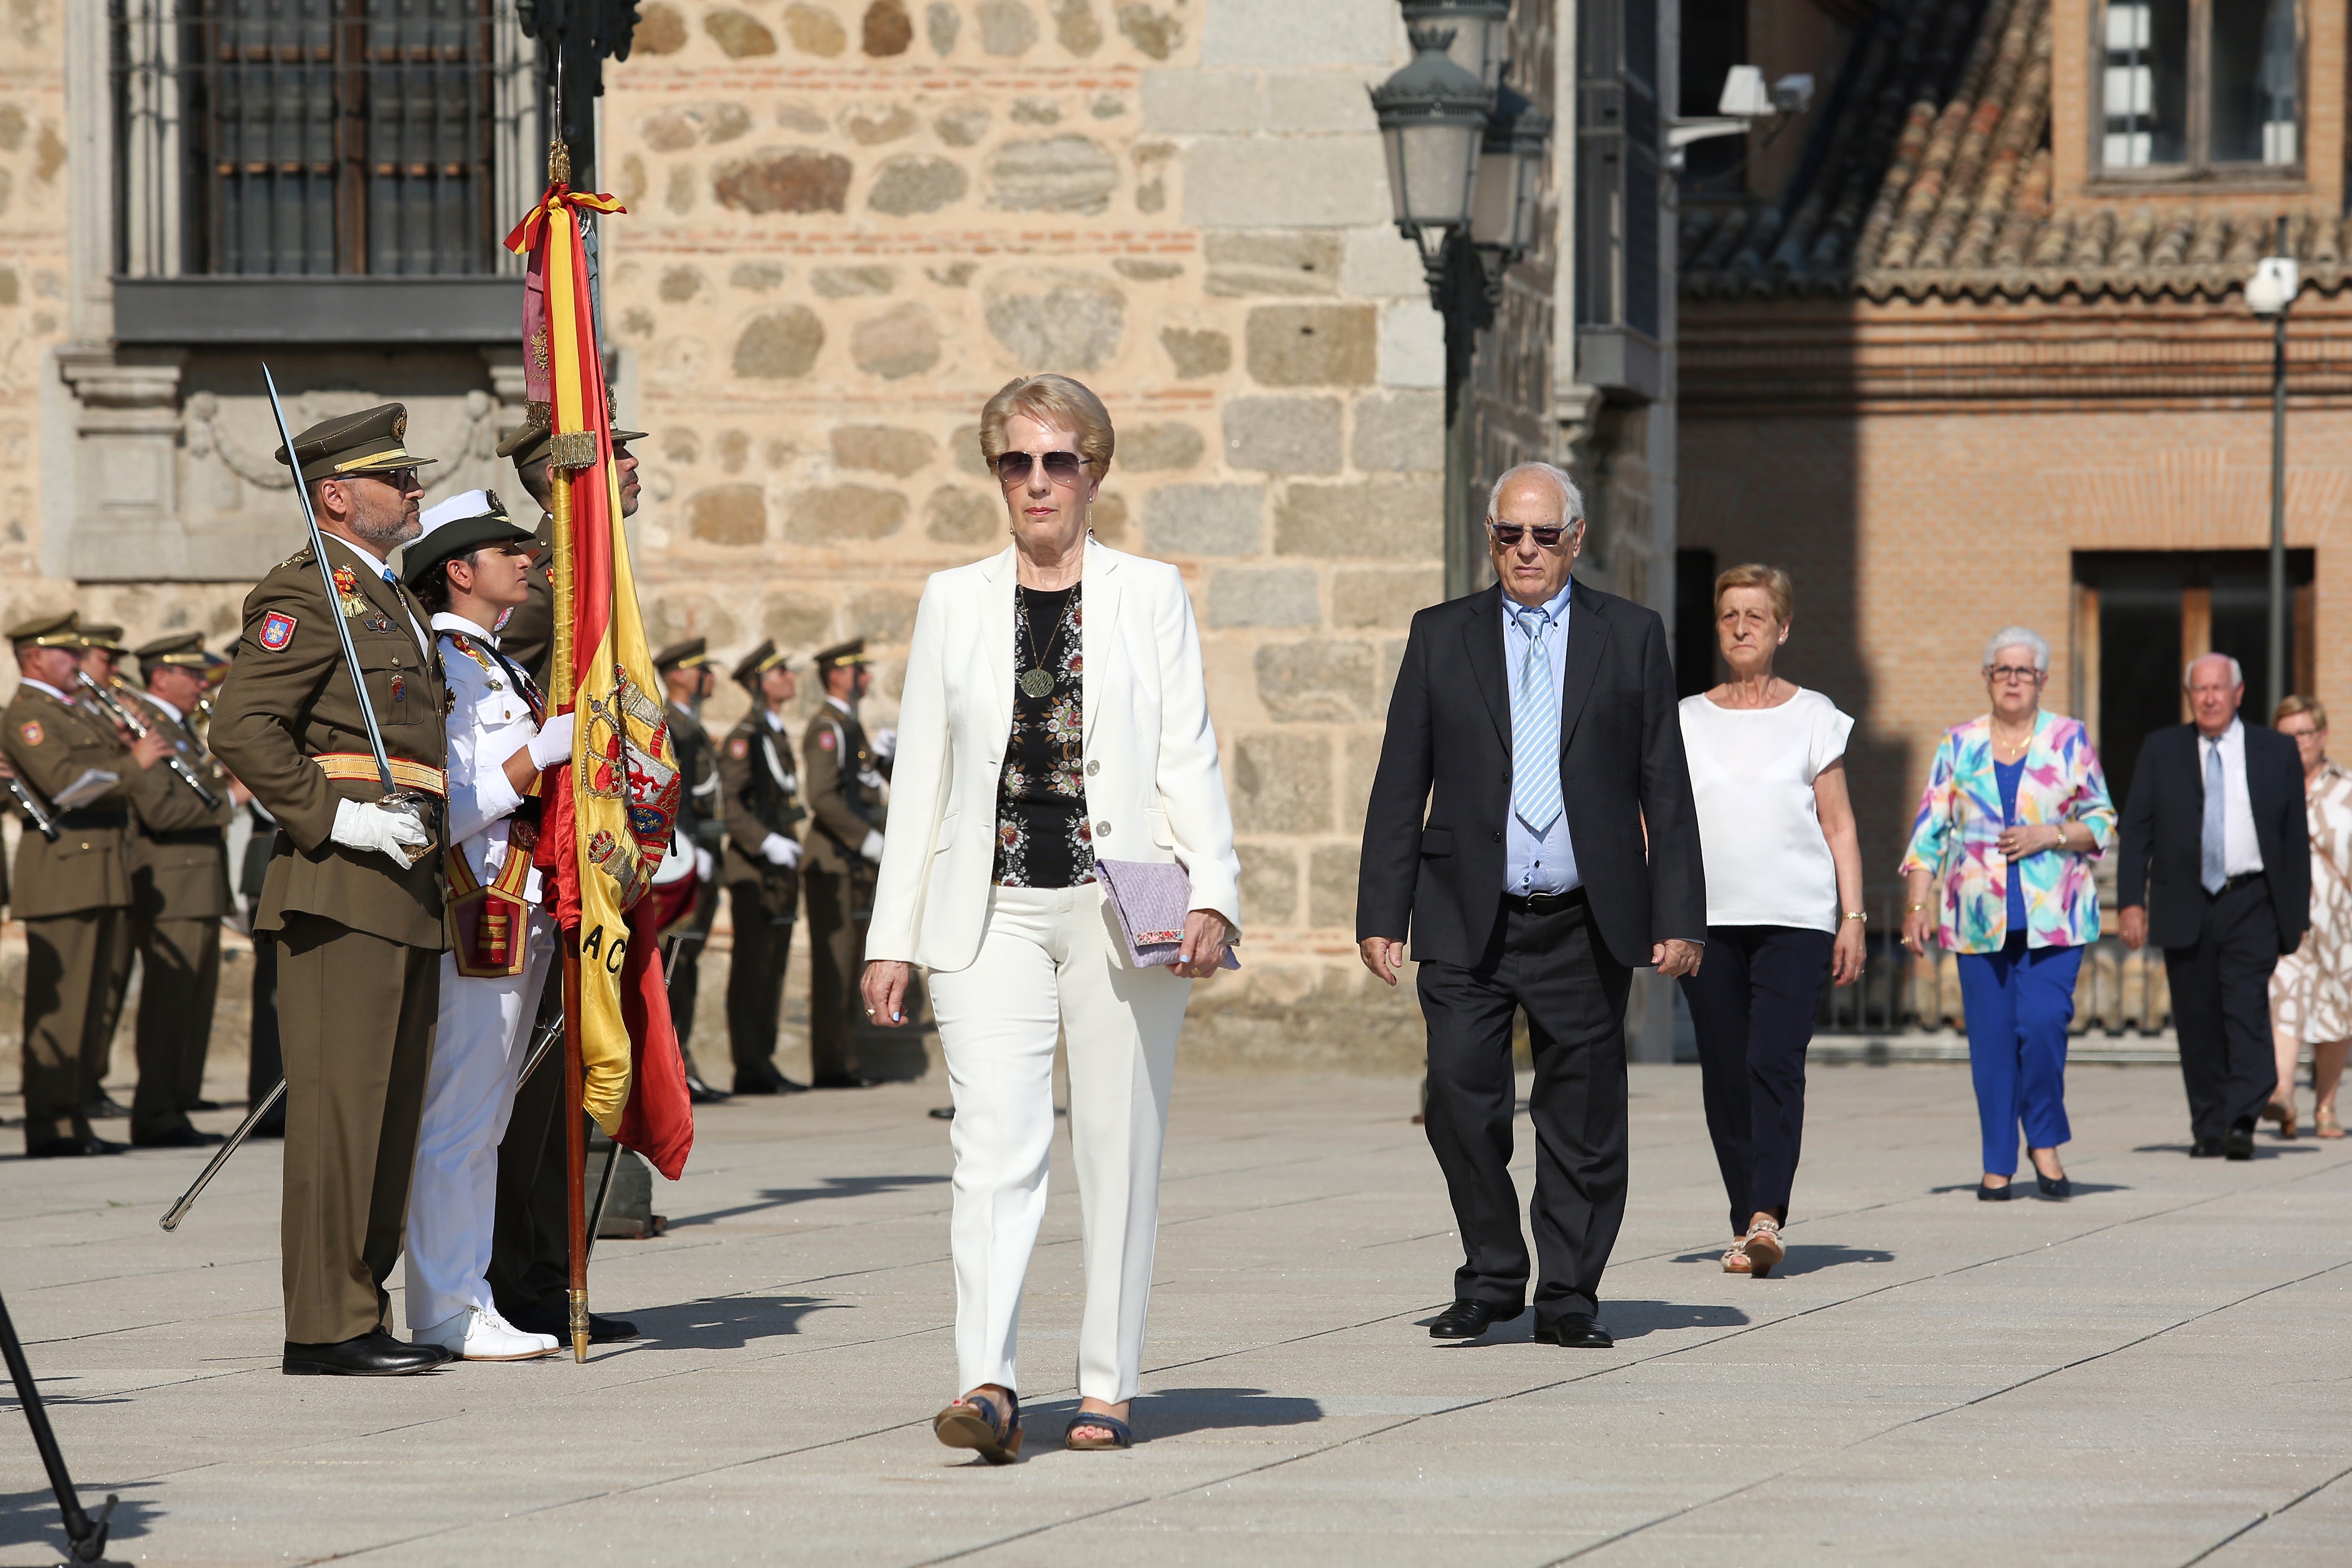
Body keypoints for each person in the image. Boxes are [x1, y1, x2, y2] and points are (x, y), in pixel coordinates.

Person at [863, 372, 1240, 1458]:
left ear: (1095, 470)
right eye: (1015, 462)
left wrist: (1211, 890)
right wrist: (893, 935)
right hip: (988, 905)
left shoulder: (1149, 591)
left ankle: (1107, 1381)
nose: (1037, 482)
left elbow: (1186, 750)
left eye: (1057, 460)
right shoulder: (952, 597)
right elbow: (923, 777)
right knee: (992, 1144)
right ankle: (986, 1380)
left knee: (1120, 1147)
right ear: (995, 473)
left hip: (1126, 898)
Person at [1358, 461, 1705, 1350]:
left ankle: (1569, 1294)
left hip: (1583, 916)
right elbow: (1403, 778)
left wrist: (1679, 914)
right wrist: (1379, 910)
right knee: (1458, 1102)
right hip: (1466, 915)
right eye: (1508, 534)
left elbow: (1664, 784)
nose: (1524, 550)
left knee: (1582, 1119)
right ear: (1491, 537)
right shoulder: (1442, 636)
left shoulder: (1629, 635)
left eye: (1542, 535)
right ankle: (1490, 1275)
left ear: (1574, 539)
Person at [208, 403, 455, 1377]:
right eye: (398, 480)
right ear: (337, 495)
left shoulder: (390, 601)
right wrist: (335, 816)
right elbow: (244, 729)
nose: (415, 491)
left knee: (392, 1111)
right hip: (339, 880)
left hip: (408, 877)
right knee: (340, 1109)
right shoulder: (306, 596)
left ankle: (363, 1302)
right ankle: (323, 1322)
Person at [396, 489, 570, 1361]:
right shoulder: (447, 666)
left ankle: (467, 1294)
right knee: (459, 1117)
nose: (526, 559)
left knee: (486, 1119)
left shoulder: (495, 661)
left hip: (519, 901)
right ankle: (440, 1305)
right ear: (458, 572)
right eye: (506, 550)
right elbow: (447, 804)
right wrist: (538, 754)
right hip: (477, 901)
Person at [482, 410, 641, 1348]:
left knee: (569, 1079)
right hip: (543, 861)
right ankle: (521, 1278)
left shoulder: (591, 569)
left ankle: (549, 1271)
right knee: (535, 1090)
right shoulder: (545, 582)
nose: (629, 469)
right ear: (564, 471)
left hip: (593, 857)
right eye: (615, 453)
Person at [1676, 565, 1864, 1275]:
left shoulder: (1815, 715)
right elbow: (1657, 825)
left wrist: (1854, 917)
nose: (1742, 626)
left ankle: (1767, 1212)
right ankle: (1745, 1220)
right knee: (1724, 1069)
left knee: (1772, 1060)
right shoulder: (1687, 718)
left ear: (1782, 628)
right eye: (1730, 615)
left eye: (1757, 615)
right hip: (1708, 921)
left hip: (1796, 918)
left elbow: (1839, 824)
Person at [1900, 628, 2115, 1199]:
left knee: (2043, 1026)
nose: (2013, 680)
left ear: (2042, 680)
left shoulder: (2069, 738)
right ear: (1987, 678)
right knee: (1991, 1043)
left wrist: (2052, 833)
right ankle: (1998, 1160)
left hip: (2056, 916)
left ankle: (2043, 1139)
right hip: (1975, 919)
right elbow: (1929, 833)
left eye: (2024, 671)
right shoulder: (1958, 744)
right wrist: (1917, 905)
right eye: (2003, 670)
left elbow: (2102, 821)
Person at [2118, 654, 2310, 1160]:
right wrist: (2129, 903)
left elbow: (2294, 839)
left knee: (2245, 1009)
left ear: (2238, 693)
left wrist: (2296, 914)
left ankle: (2242, 1118)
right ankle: (2208, 1125)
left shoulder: (2274, 751)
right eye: (2199, 689)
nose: (2208, 698)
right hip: (2184, 901)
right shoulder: (2161, 749)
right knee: (2197, 1017)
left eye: (2217, 688)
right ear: (2189, 696)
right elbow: (2135, 830)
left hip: (2251, 900)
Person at [3, 611, 177, 1156]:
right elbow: (66, 786)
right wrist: (134, 762)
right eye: (67, 654)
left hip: (98, 871)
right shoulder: (29, 714)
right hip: (62, 874)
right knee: (61, 1010)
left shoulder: (72, 710)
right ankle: (50, 1124)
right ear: (35, 657)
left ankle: (74, 1117)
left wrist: (125, 738)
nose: (78, 664)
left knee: (89, 1006)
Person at [120, 632, 238, 1148]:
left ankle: (171, 1105)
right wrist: (232, 798)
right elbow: (162, 810)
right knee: (170, 1006)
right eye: (191, 674)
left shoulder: (176, 726)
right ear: (159, 676)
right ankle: (156, 1113)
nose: (200, 683)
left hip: (195, 881)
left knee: (188, 1006)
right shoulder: (144, 722)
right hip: (172, 882)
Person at [720, 640, 809, 1095]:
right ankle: (748, 1064)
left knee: (772, 967)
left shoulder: (771, 732)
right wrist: (765, 841)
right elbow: (730, 803)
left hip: (778, 868)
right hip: (753, 868)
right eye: (779, 673)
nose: (788, 678)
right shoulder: (746, 735)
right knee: (753, 968)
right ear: (759, 683)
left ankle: (764, 1059)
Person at [2265, 696, 2352, 1140]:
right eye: (2287, 735)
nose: (2297, 742)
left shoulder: (2346, 789)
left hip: (2341, 922)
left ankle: (2325, 1107)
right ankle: (2282, 1095)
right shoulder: (2265, 787)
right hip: (2285, 918)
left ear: (2321, 736)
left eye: (2303, 733)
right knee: (2283, 997)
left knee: (2337, 1012)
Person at [803, 640, 887, 1090]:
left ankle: (844, 1058)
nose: (868, 679)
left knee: (851, 961)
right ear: (837, 675)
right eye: (860, 671)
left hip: (851, 864)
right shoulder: (827, 728)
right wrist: (866, 838)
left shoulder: (848, 726)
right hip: (833, 862)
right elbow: (821, 796)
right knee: (834, 967)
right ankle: (831, 1063)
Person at [654, 638, 729, 1102]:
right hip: (678, 864)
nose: (711, 678)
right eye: (702, 670)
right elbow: (666, 789)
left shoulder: (692, 725)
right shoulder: (669, 724)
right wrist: (684, 847)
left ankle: (682, 1065)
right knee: (671, 968)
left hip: (700, 858)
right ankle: (669, 1071)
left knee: (687, 967)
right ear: (678, 675)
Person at [73, 622, 138, 1122]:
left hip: (111, 864)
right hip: (77, 866)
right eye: (103, 660)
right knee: (75, 996)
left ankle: (84, 1089)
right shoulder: (46, 715)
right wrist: (135, 759)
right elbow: (68, 786)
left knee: (102, 991)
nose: (112, 672)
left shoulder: (93, 714)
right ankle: (64, 1103)